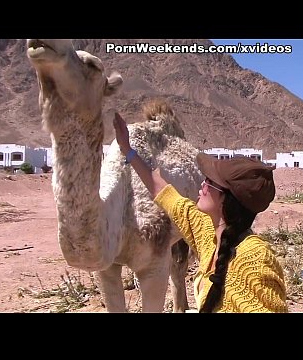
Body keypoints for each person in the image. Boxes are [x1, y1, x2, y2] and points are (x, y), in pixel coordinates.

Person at [113, 112, 288, 313]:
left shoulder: (255, 260)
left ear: (226, 200)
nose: (202, 184)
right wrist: (128, 150)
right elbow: (165, 193)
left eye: (210, 183)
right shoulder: (208, 233)